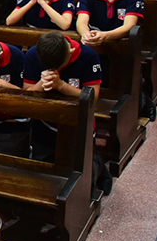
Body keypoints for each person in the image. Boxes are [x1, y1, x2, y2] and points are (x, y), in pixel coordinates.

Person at [23, 31, 101, 161]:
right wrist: (41, 84)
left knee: (82, 166)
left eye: (59, 67)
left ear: (70, 51)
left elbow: (93, 97)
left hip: (77, 124)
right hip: (44, 124)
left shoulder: (88, 55)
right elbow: (27, 93)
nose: (56, 71)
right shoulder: (34, 53)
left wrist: (61, 86)